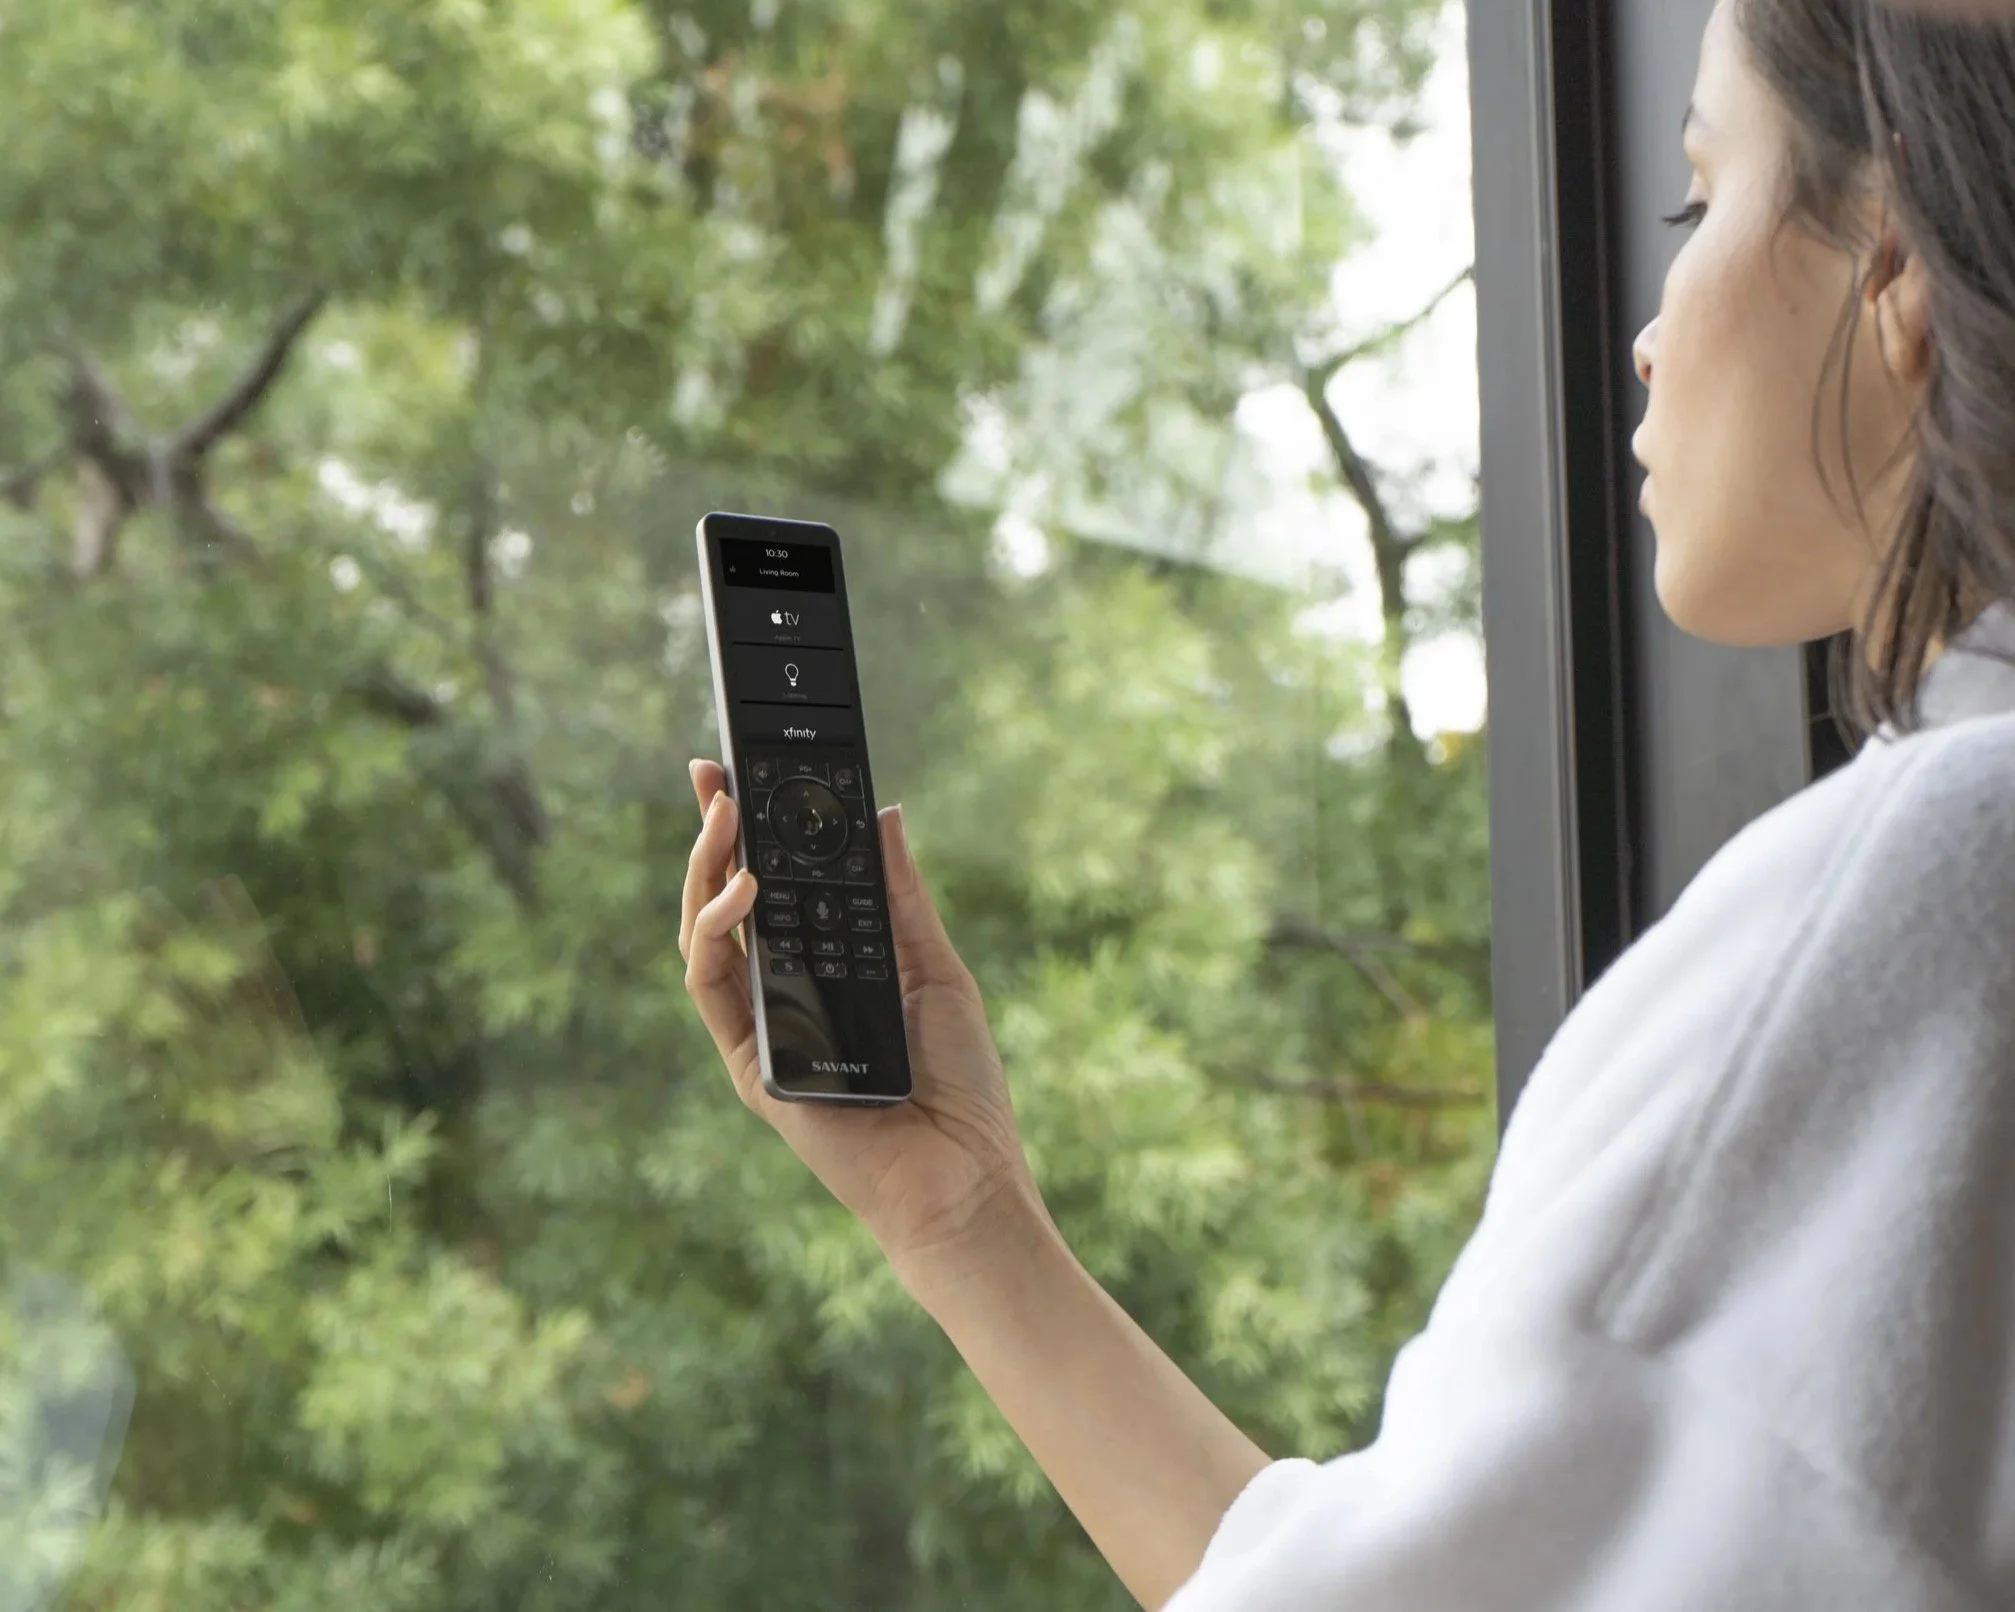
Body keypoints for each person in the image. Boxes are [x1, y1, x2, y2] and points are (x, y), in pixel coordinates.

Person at [681, 1, 2015, 1605]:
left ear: (1896, 260)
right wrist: (959, 1215)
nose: (1646, 332)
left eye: (1697, 196)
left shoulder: (1920, 897)